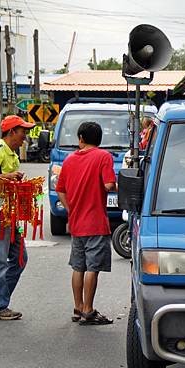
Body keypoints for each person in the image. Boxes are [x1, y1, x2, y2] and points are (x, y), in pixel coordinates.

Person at [55, 122, 116, 325]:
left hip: (76, 223)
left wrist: (71, 209)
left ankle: (78, 307)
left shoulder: (69, 159)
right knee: (93, 267)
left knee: (78, 266)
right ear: (99, 139)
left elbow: (60, 189)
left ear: (81, 138)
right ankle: (88, 310)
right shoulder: (103, 157)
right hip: (96, 222)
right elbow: (109, 185)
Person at [0, 115, 32, 320]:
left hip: (10, 213)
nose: (26, 136)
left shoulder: (12, 154)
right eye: (23, 132)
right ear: (12, 132)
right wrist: (6, 177)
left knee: (20, 259)